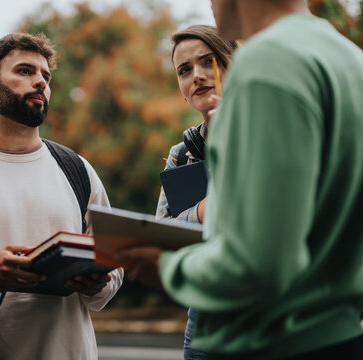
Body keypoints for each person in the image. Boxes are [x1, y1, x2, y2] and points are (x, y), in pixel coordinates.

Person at [120, 0, 363, 359]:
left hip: (274, 338)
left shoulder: (267, 63)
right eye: (183, 70)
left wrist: (168, 270)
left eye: (208, 61)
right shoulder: (350, 58)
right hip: (340, 333)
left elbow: (262, 263)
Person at [0, 32, 123, 360]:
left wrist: (99, 283)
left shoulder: (79, 169)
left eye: (45, 76)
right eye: (25, 71)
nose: (40, 83)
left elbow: (113, 268)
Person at [155, 25, 236, 360]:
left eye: (209, 61)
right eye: (185, 70)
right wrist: (202, 212)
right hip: (204, 322)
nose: (198, 76)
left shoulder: (269, 132)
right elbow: (162, 235)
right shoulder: (182, 153)